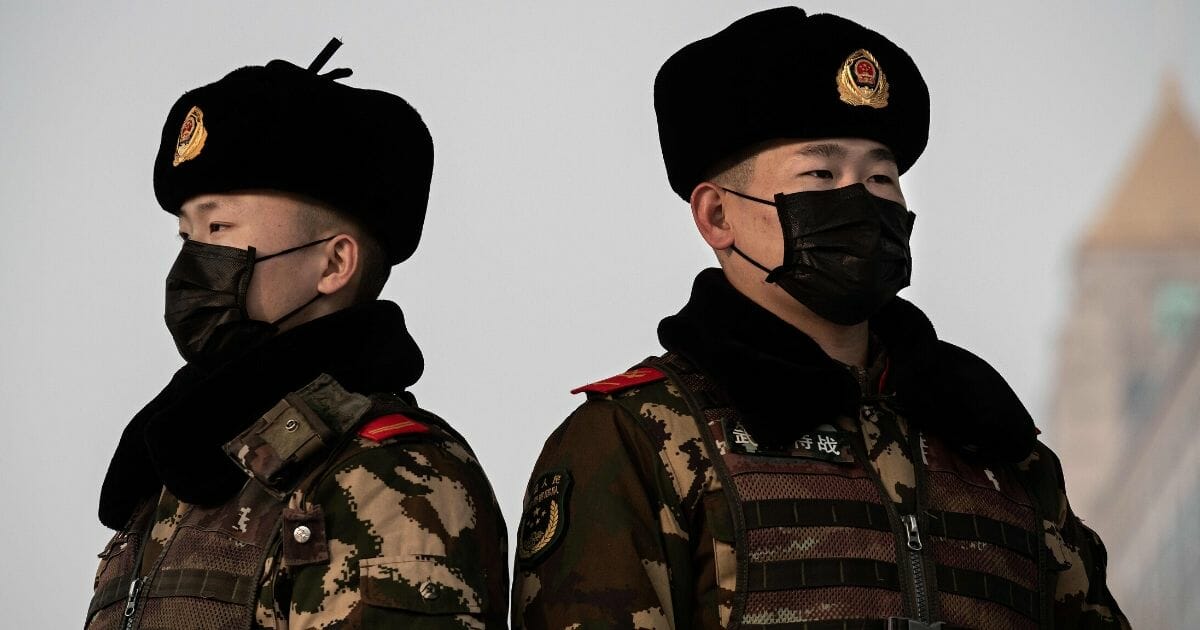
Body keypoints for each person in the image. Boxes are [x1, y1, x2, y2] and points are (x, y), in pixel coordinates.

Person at [512, 8, 1128, 629]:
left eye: (882, 177)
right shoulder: (637, 441)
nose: (862, 200)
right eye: (821, 173)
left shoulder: (994, 444)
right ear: (718, 217)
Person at [85, 40, 507, 629]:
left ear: (333, 265)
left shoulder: (392, 475)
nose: (193, 263)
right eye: (187, 236)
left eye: (221, 227)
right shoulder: (174, 467)